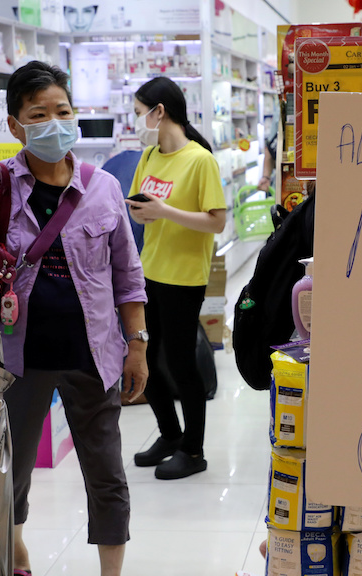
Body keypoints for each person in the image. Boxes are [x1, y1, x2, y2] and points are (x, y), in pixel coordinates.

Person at [0, 61, 149, 576]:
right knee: (9, 474)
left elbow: (129, 279)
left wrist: (138, 345)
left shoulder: (103, 188)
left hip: (94, 354)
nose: (55, 123)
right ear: (16, 125)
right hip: (15, 361)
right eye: (39, 115)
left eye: (63, 112)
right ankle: (18, 553)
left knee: (107, 475)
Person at [125, 76, 227, 480]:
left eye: (138, 113)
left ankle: (194, 450)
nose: (136, 122)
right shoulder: (149, 157)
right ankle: (169, 433)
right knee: (146, 357)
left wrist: (165, 211)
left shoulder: (200, 160)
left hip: (184, 277)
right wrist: (140, 211)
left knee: (181, 363)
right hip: (149, 270)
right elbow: (138, 205)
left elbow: (217, 221)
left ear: (159, 111)